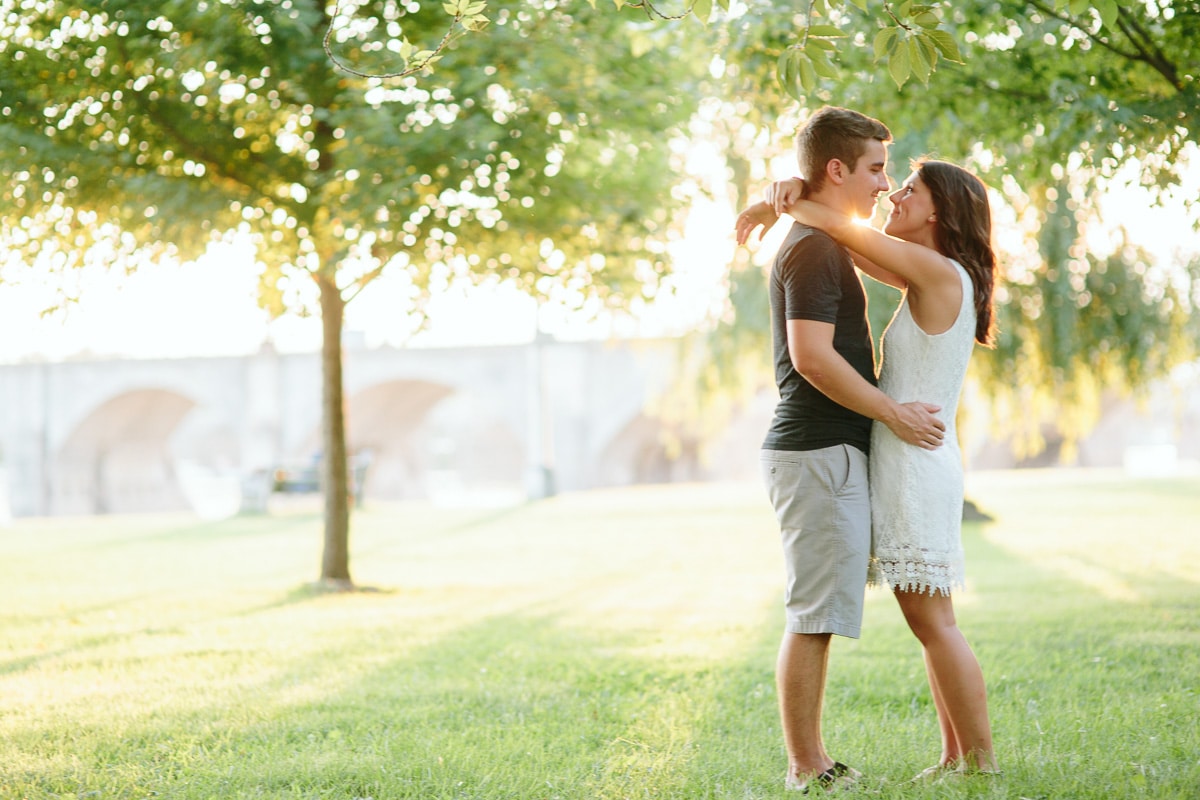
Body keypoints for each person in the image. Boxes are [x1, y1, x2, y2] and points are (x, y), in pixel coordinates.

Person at [737, 154, 1001, 781]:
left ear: (939, 210)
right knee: (930, 622)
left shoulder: (938, 271)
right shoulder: (929, 274)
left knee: (933, 622)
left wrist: (769, 204)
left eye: (908, 188)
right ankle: (954, 757)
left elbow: (846, 232)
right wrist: (792, 194)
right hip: (909, 456)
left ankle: (981, 765)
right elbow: (843, 239)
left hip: (915, 462)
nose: (892, 195)